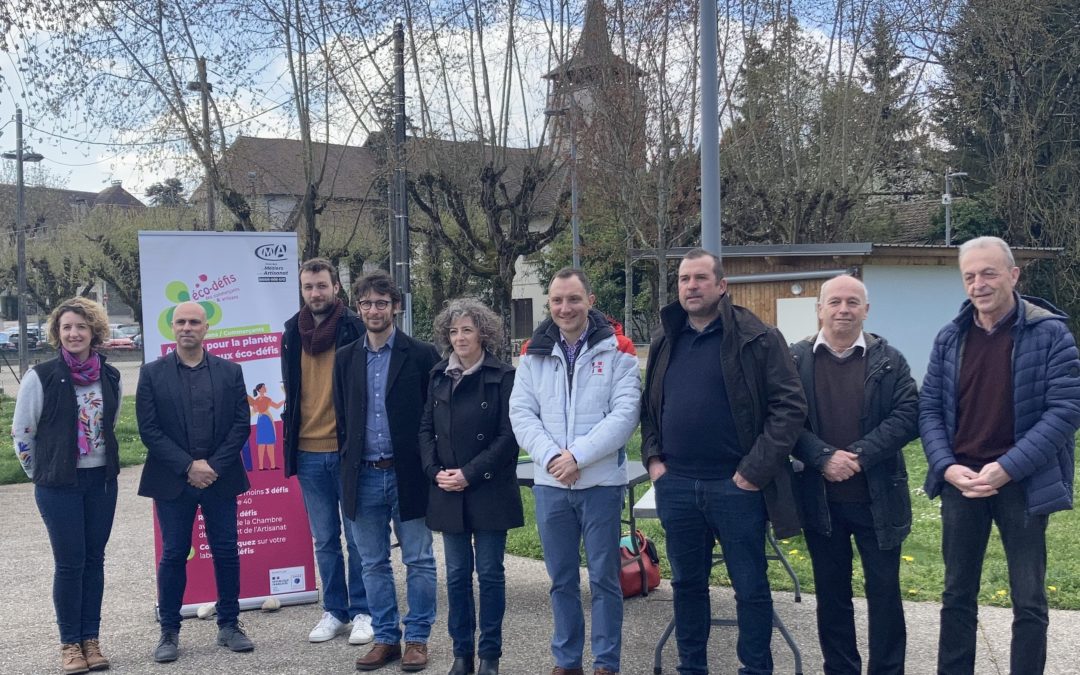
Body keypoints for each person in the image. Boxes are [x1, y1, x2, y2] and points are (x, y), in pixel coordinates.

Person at [640, 248, 806, 675]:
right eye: (683, 279)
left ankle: (755, 668)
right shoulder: (665, 340)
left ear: (722, 285)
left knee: (750, 588)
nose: (690, 286)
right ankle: (690, 667)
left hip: (736, 488)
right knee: (688, 586)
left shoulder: (759, 337)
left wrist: (753, 472)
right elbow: (650, 407)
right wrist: (654, 461)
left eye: (699, 278)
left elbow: (789, 408)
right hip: (677, 486)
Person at [920, 236, 1080, 675]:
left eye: (988, 273)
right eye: (969, 276)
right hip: (962, 485)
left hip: (1023, 484)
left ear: (1013, 275)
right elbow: (929, 408)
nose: (978, 284)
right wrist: (946, 467)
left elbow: (1066, 410)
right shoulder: (950, 337)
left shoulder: (1051, 334)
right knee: (956, 595)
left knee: (1028, 599)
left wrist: (1008, 468)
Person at [509, 268, 640, 675]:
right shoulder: (532, 351)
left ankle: (605, 663)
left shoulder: (618, 348)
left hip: (600, 484)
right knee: (561, 580)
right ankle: (567, 662)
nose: (565, 308)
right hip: (551, 485)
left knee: (604, 579)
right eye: (558, 300)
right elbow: (521, 412)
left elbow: (625, 415)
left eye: (573, 299)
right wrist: (552, 458)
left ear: (590, 300)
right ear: (549, 304)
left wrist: (576, 457)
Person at [789, 275, 918, 675]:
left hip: (879, 499)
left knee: (884, 595)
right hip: (820, 501)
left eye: (852, 302)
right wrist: (823, 456)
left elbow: (908, 415)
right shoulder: (794, 360)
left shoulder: (890, 360)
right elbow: (783, 419)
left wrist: (858, 457)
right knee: (832, 597)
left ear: (866, 310)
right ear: (820, 309)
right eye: (835, 302)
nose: (843, 309)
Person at [136, 301, 254, 663]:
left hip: (219, 478)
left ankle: (230, 625)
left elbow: (240, 424)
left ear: (206, 329)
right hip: (173, 480)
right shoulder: (151, 373)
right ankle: (169, 631)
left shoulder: (230, 372)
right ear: (172, 328)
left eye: (194, 322)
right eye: (181, 322)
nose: (187, 327)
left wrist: (211, 467)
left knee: (226, 551)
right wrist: (189, 466)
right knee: (173, 554)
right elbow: (149, 430)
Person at [335, 270, 440, 672]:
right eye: (366, 303)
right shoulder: (346, 358)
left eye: (382, 302)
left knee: (419, 559)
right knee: (371, 562)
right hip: (362, 476)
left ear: (395, 306)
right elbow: (342, 418)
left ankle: (417, 638)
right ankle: (385, 638)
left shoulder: (421, 354)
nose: (374, 310)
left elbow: (432, 416)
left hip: (407, 474)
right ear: (357, 308)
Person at [12, 297, 122, 674]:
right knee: (70, 563)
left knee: (95, 560)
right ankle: (70, 645)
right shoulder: (40, 376)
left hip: (101, 481)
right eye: (66, 328)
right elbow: (22, 433)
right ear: (57, 334)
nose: (74, 334)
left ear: (94, 331)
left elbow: (111, 421)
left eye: (81, 327)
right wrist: (41, 473)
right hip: (58, 484)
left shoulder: (111, 376)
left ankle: (91, 639)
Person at [419, 298, 523, 675]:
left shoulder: (503, 376)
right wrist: (435, 472)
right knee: (458, 576)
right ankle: (461, 653)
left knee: (491, 574)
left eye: (467, 329)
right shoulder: (437, 375)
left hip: (488, 489)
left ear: (483, 332)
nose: (460, 337)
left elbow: (509, 437)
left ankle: (489, 656)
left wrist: (469, 473)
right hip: (448, 490)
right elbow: (425, 430)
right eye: (454, 330)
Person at [281, 257, 373, 645]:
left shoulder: (355, 326)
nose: (315, 293)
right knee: (324, 539)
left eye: (322, 285)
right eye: (308, 287)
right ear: (301, 290)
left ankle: (365, 610)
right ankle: (335, 610)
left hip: (348, 450)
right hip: (306, 450)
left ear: (337, 287)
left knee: (359, 538)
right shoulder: (291, 332)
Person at [247, 383, 283, 471]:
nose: (265, 388)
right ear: (259, 390)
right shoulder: (262, 400)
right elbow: (277, 406)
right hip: (264, 420)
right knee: (263, 444)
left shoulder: (261, 400)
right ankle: (263, 466)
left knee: (267, 444)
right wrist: (284, 400)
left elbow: (277, 407)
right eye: (263, 387)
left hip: (264, 420)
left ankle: (269, 465)